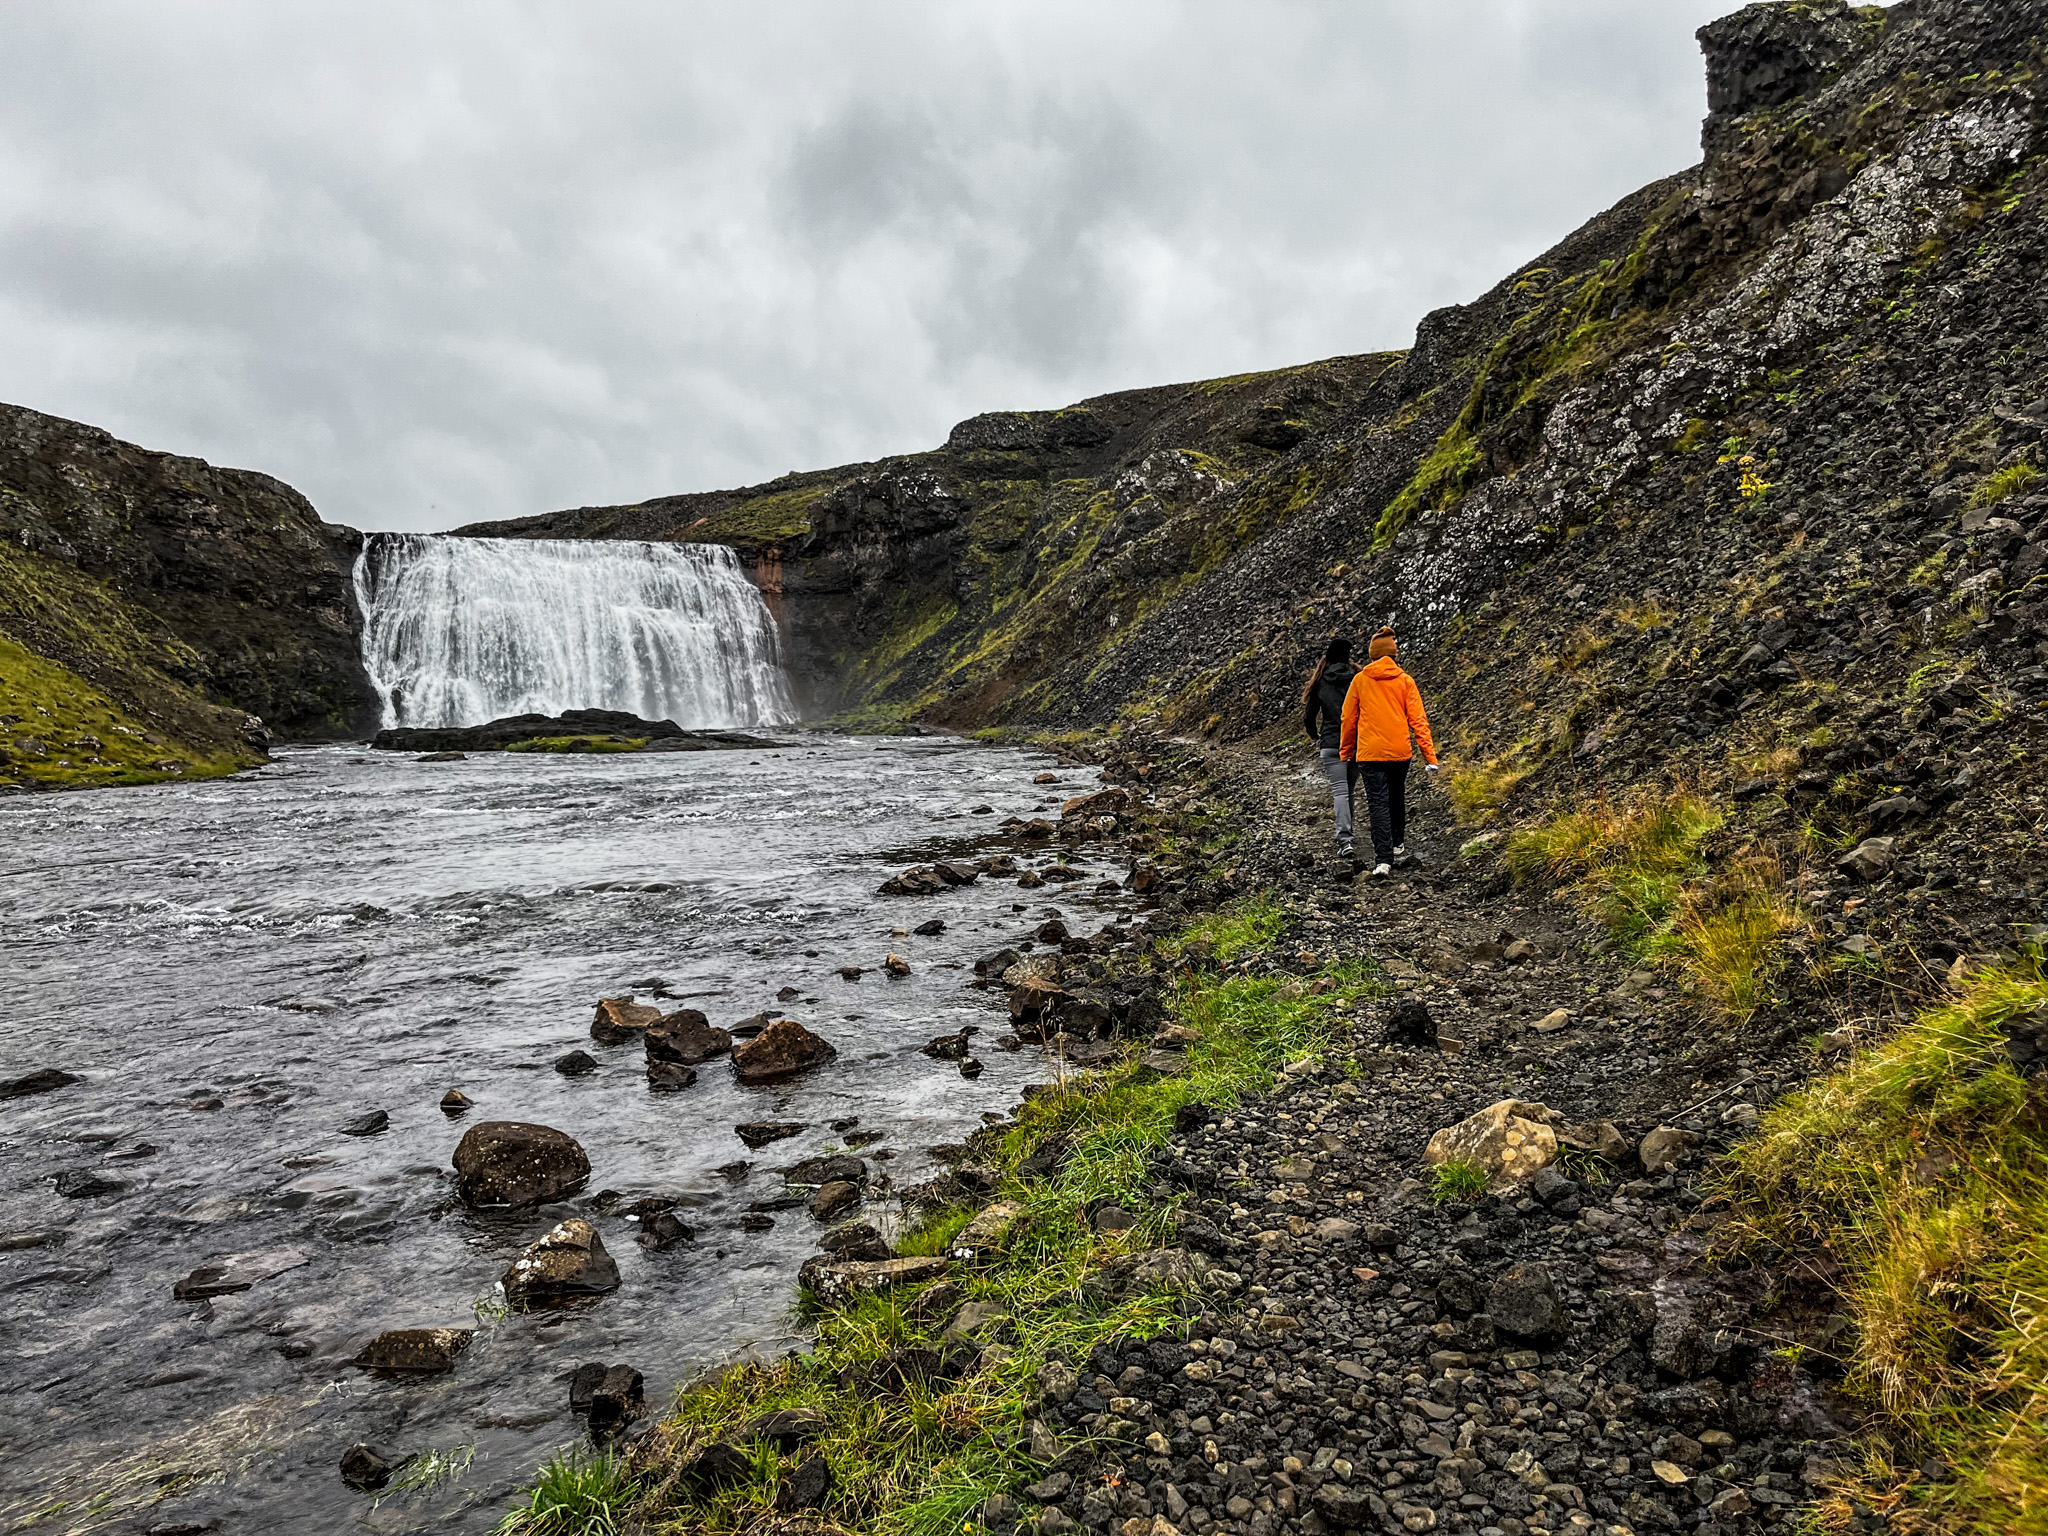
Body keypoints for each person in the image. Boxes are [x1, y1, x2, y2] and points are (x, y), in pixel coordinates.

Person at [1340, 626, 1438, 879]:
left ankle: (1383, 860)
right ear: (1394, 655)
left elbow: (1348, 719)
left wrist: (1346, 751)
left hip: (1370, 754)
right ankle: (1397, 843)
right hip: (1399, 752)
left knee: (1377, 803)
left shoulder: (1360, 681)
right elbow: (1418, 721)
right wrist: (1430, 757)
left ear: (1372, 656)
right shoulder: (1405, 681)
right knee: (1396, 796)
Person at [1301, 636, 1360, 856]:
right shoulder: (1358, 679)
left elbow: (1309, 717)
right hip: (1356, 743)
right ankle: (1348, 834)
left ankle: (1345, 839)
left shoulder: (1320, 681)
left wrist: (1315, 734)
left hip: (1331, 743)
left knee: (1340, 791)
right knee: (1350, 789)